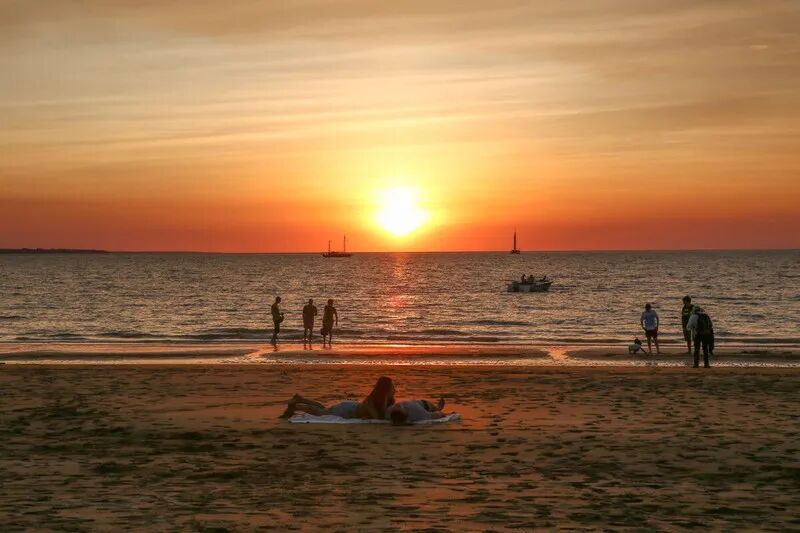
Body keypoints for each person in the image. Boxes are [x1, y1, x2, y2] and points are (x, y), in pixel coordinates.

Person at [279, 376, 396, 419]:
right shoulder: (371, 401)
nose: (394, 389)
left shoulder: (385, 400)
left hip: (349, 407)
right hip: (346, 410)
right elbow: (377, 418)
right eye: (392, 387)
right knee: (320, 413)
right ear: (385, 390)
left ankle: (300, 399)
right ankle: (297, 406)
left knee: (323, 409)